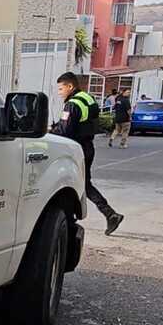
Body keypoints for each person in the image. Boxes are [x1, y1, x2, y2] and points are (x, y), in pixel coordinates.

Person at [55, 72, 125, 235]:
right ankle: (109, 214)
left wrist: (52, 130)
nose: (59, 92)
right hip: (88, 147)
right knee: (84, 183)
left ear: (70, 86)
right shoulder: (88, 98)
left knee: (72, 184)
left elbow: (65, 131)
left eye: (60, 88)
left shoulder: (72, 104)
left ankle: (109, 214)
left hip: (76, 149)